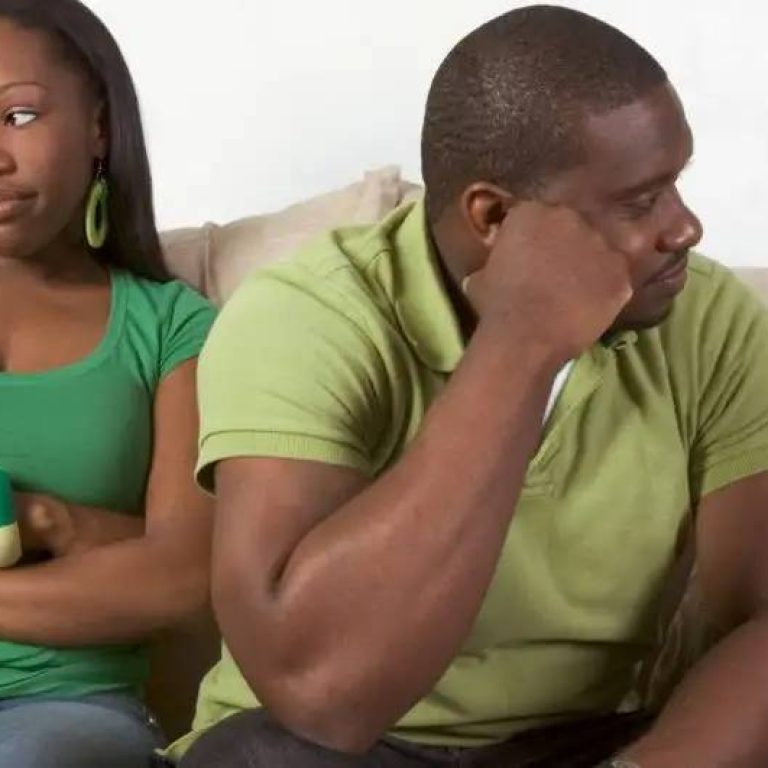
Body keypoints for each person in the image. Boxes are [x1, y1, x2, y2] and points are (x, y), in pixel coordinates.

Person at [174, 5, 768, 768]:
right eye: (639, 202)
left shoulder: (708, 317)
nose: (685, 228)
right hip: (329, 749)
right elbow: (320, 695)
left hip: (583, 745)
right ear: (494, 217)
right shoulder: (305, 317)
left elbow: (757, 625)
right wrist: (523, 346)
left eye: (675, 185)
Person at [0, 0, 216, 766]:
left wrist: (46, 517)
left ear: (98, 127)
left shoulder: (174, 327)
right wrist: (97, 541)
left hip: (66, 709)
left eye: (18, 116)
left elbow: (186, 576)